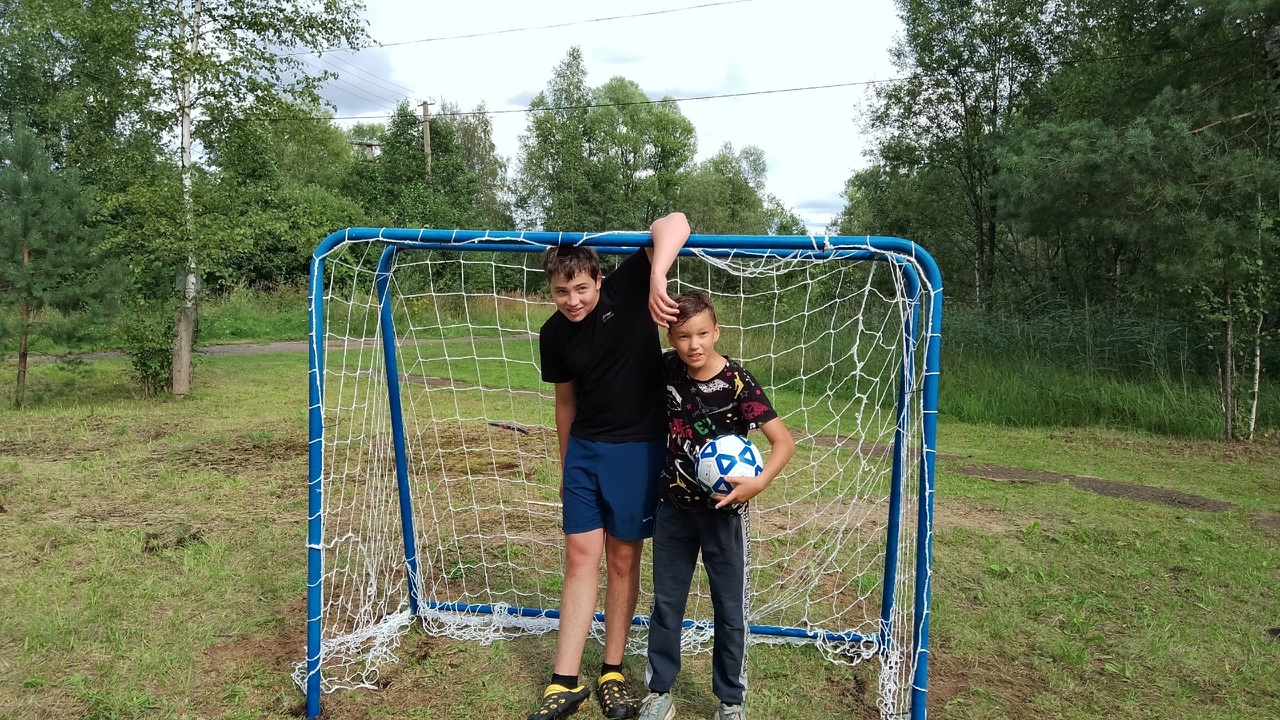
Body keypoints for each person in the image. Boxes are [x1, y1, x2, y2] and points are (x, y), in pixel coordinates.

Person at [529, 212, 690, 720]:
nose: (572, 300)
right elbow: (564, 404)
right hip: (584, 453)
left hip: (638, 451)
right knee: (580, 558)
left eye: (580, 287)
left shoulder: (627, 289)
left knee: (622, 560)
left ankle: (613, 670)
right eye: (560, 291)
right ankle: (563, 681)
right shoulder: (553, 334)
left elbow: (676, 221)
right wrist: (565, 464)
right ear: (550, 292)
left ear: (599, 279)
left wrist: (658, 274)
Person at [637, 291, 795, 720]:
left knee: (729, 607)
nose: (694, 344)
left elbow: (783, 442)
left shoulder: (738, 382)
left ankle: (730, 700)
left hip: (726, 515)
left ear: (717, 331)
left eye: (702, 334)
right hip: (673, 509)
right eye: (683, 335)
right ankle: (660, 691)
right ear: (670, 336)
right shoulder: (668, 368)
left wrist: (759, 483)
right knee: (667, 602)